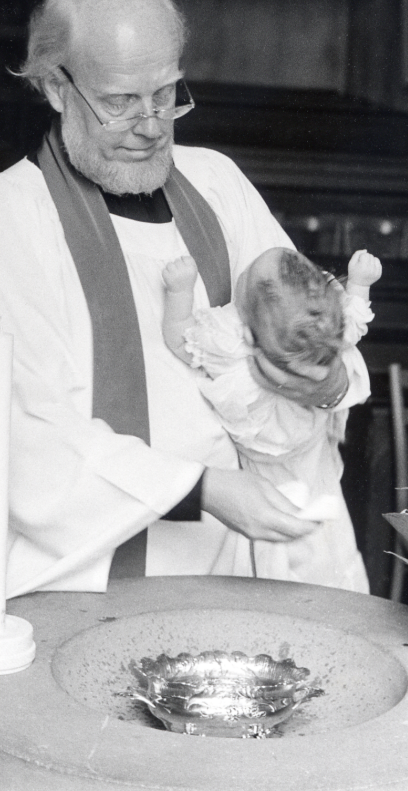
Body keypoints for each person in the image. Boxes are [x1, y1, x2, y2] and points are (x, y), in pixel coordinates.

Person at [0, 0, 355, 634]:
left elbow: (309, 345)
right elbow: (23, 441)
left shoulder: (219, 187)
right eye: (122, 100)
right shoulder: (5, 222)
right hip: (76, 594)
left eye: (167, 92)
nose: (152, 124)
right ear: (52, 87)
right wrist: (204, 489)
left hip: (227, 583)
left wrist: (324, 380)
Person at [161, 245, 381, 590]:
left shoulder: (232, 350)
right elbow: (352, 323)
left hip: (262, 470)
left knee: (272, 551)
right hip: (312, 455)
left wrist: (180, 292)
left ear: (247, 332)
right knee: (328, 545)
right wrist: (359, 284)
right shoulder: (321, 335)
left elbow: (180, 339)